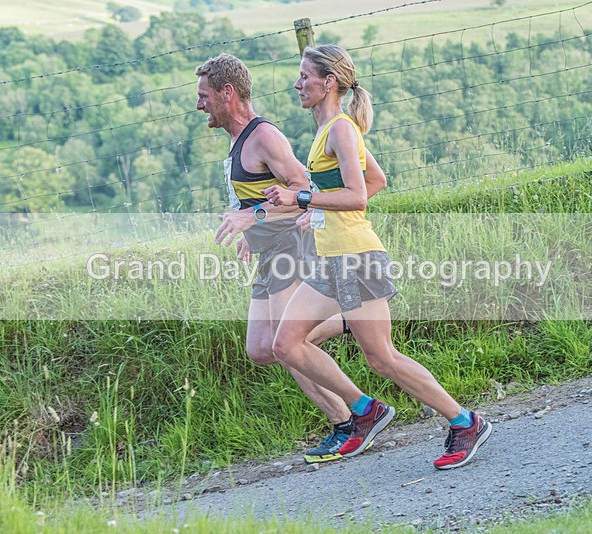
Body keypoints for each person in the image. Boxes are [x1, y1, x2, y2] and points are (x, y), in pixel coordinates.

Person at [264, 44, 492, 469]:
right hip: (332, 259)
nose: (297, 84)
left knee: (382, 357)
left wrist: (302, 198)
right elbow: (377, 180)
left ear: (328, 82)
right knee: (286, 343)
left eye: (304, 76)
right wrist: (317, 211)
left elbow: (357, 196)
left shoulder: (341, 129)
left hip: (356, 257)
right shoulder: (328, 129)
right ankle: (364, 410)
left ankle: (465, 422)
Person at [194, 53, 388, 463]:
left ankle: (349, 420)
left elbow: (302, 190)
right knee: (261, 349)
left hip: (291, 247)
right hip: (270, 250)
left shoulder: (264, 136)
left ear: (227, 93)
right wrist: (253, 230)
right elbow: (263, 197)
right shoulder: (238, 140)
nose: (199, 105)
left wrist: (254, 218)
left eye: (204, 96)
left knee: (286, 343)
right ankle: (350, 321)